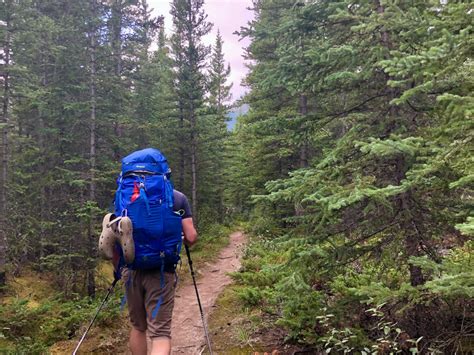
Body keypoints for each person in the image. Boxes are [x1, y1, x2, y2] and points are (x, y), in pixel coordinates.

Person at [124, 189, 197, 355]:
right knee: (160, 333)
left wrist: (118, 268)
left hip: (131, 269)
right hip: (162, 271)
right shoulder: (178, 197)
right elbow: (191, 237)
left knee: (138, 326)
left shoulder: (126, 194)